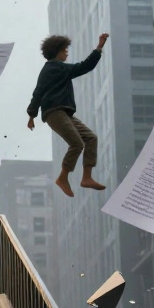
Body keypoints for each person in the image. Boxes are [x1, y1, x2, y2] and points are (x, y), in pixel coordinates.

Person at [26, 32, 109, 198]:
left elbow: (38, 93)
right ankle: (63, 177)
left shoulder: (55, 69)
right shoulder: (55, 68)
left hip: (64, 113)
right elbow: (84, 66)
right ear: (57, 52)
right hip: (54, 113)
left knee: (91, 138)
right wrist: (99, 48)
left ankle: (86, 177)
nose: (67, 53)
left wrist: (32, 115)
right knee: (77, 144)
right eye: (64, 50)